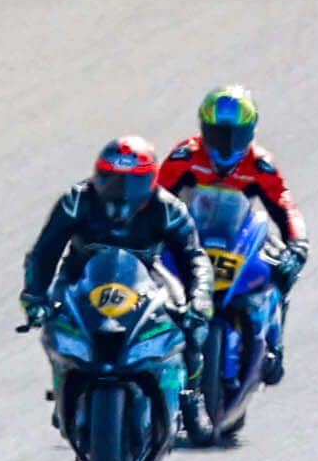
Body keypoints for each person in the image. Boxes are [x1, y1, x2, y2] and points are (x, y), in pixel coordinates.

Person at [160, 86, 307, 383]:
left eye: (235, 135)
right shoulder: (185, 156)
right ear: (204, 129)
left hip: (241, 233)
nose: (226, 144)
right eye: (218, 134)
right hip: (193, 231)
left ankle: (275, 345)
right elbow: (155, 197)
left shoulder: (261, 164)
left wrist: (298, 244)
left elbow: (284, 206)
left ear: (249, 131)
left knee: (283, 269)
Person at [23, 136, 211, 328]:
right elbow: (44, 251)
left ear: (151, 181)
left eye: (134, 183)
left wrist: (200, 298)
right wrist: (34, 297)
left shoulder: (168, 208)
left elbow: (193, 257)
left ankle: (195, 357)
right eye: (112, 181)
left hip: (148, 281)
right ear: (97, 176)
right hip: (78, 276)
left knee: (193, 328)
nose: (122, 192)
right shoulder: (77, 201)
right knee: (54, 329)